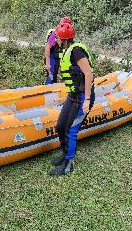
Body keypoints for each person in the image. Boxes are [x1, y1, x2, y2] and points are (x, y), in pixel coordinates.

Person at [49, 22, 94, 176]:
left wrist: (87, 99)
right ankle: (64, 154)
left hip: (82, 97)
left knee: (71, 130)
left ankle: (68, 164)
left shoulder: (76, 51)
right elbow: (74, 79)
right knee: (61, 126)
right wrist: (64, 99)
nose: (56, 41)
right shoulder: (67, 51)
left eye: (58, 38)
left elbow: (88, 74)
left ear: (64, 39)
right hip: (73, 96)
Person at [44, 16, 72, 84]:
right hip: (51, 57)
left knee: (55, 75)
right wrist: (47, 63)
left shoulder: (65, 34)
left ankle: (52, 89)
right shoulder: (55, 34)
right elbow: (47, 47)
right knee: (51, 76)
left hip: (57, 57)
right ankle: (47, 89)